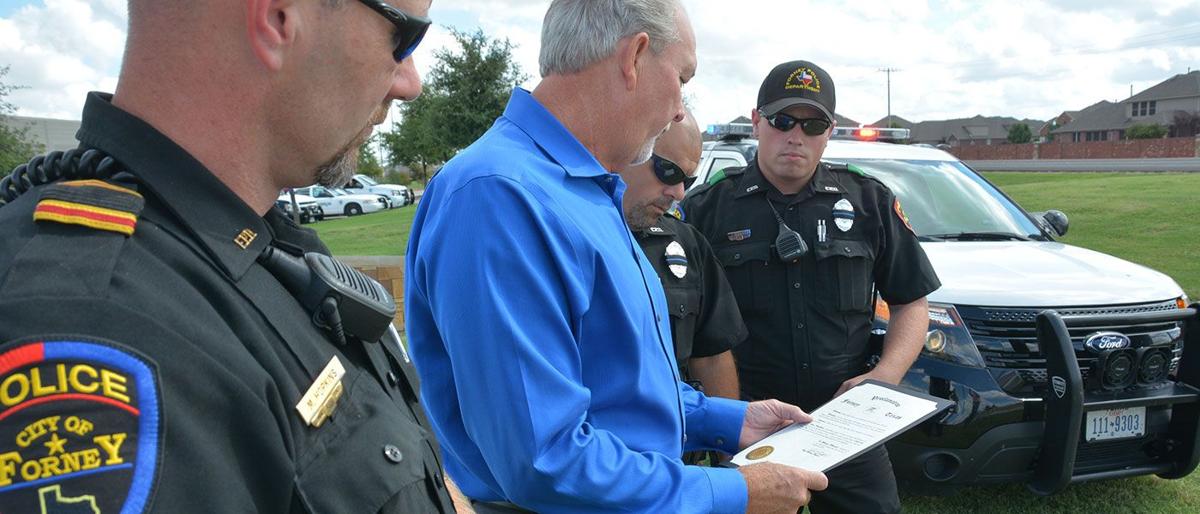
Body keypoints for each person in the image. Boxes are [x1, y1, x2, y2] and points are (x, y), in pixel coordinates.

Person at [0, 1, 456, 512]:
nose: (409, 82)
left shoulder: (256, 242)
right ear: (278, 17)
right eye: (405, 40)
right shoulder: (95, 322)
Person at [405, 1, 827, 513]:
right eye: (682, 78)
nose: (679, 108)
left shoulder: (584, 189)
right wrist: (734, 493)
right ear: (635, 56)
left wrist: (729, 419)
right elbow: (546, 461)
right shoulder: (500, 195)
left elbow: (614, 385)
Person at [682, 60, 942, 513]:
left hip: (843, 424)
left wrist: (884, 377)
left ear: (830, 130)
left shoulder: (867, 201)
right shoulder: (707, 210)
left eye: (812, 123)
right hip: (746, 424)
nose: (795, 135)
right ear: (757, 121)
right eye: (782, 120)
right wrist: (718, 427)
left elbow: (911, 302)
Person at [618, 111, 744, 401]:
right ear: (627, 147)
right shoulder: (569, 234)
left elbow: (712, 355)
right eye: (668, 171)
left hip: (679, 437)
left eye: (689, 179)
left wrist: (728, 441)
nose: (678, 192)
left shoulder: (686, 243)